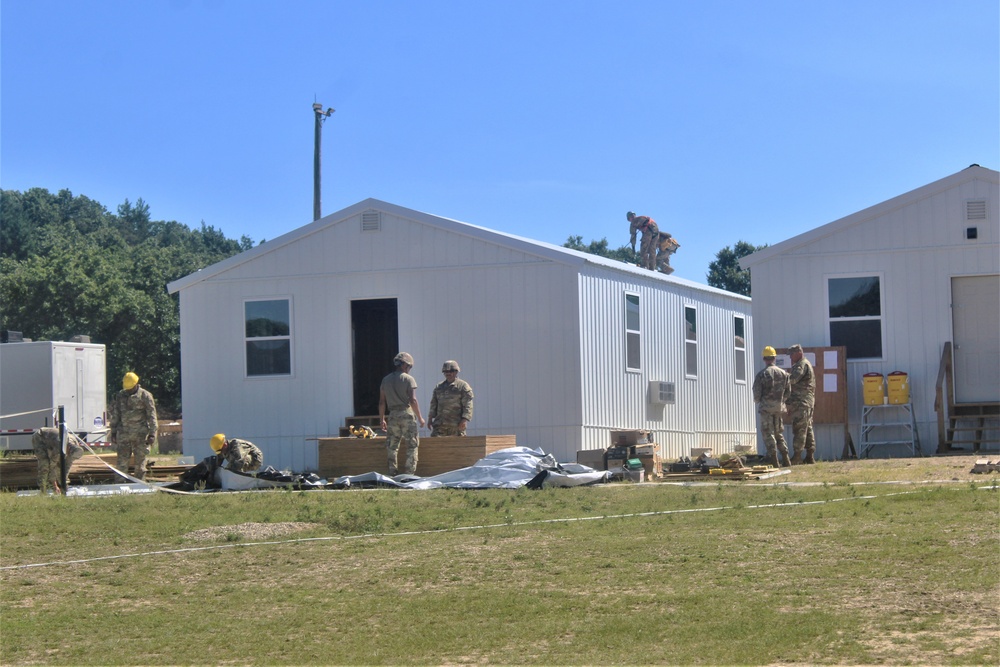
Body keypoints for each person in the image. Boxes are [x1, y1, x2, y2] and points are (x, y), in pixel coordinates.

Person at [378, 352, 425, 475]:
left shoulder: (385, 380)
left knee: (392, 446)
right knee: (412, 445)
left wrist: (381, 419)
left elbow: (382, 402)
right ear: (404, 365)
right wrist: (420, 418)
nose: (409, 369)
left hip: (392, 415)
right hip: (406, 414)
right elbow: (413, 400)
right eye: (409, 367)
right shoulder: (408, 379)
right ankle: (409, 474)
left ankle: (392, 472)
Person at [109, 372, 158, 481]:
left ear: (136, 384)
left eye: (130, 388)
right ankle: (119, 487)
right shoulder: (120, 396)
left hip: (140, 436)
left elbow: (152, 416)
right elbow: (116, 414)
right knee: (121, 463)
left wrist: (152, 434)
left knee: (140, 464)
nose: (128, 390)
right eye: (127, 388)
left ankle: (140, 486)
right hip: (124, 435)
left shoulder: (145, 396)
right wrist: (113, 431)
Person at [752, 346, 791, 468]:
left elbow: (757, 393)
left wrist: (759, 401)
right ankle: (786, 458)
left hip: (766, 409)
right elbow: (788, 392)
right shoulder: (784, 374)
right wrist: (780, 401)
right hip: (778, 408)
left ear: (764, 358)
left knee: (768, 433)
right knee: (778, 433)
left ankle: (774, 460)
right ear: (774, 358)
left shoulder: (761, 375)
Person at [787, 344, 817, 464]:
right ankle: (810, 456)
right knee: (807, 428)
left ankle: (797, 456)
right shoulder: (805, 363)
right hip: (806, 402)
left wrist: (783, 376)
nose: (790, 358)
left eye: (791, 355)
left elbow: (793, 379)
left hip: (801, 402)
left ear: (798, 353)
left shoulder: (801, 365)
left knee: (799, 428)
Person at [427, 360, 474, 436]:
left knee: (458, 447)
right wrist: (430, 419)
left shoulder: (463, 386)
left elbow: (468, 405)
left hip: (456, 426)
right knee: (436, 447)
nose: (448, 373)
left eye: (451, 371)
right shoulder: (439, 387)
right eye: (446, 371)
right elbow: (433, 404)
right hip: (440, 426)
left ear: (456, 372)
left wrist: (464, 420)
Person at [32, 427, 85, 494]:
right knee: (45, 463)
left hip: (52, 440)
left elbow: (67, 467)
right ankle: (43, 489)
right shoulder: (59, 446)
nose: (69, 457)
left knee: (60, 467)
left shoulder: (75, 448)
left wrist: (64, 484)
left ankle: (64, 488)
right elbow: (52, 466)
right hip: (40, 437)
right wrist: (55, 486)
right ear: (68, 448)